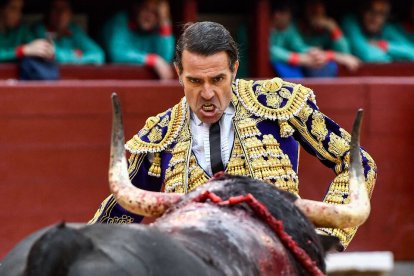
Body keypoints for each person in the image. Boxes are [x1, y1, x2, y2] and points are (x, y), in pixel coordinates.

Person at [90, 21, 377, 250]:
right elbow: (121, 207)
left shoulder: (278, 103)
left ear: (235, 69)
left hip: (276, 252)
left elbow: (357, 164)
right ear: (178, 73)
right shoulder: (162, 133)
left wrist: (325, 235)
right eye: (194, 81)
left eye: (218, 80)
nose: (207, 94)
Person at [101, 0, 175, 80]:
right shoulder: (121, 20)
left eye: (155, 12)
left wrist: (164, 23)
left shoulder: (157, 30)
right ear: (137, 8)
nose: (149, 15)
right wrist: (152, 60)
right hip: (114, 79)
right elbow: (117, 53)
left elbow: (165, 60)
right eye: (146, 9)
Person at [30, 0, 104, 65]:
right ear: (48, 12)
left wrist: (74, 59)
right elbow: (52, 54)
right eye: (55, 8)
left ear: (71, 13)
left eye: (64, 8)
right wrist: (75, 56)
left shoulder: (74, 29)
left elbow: (98, 55)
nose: (60, 13)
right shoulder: (39, 29)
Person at [298, 0, 360, 72]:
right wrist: (333, 56)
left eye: (319, 5)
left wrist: (333, 28)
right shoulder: (295, 27)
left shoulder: (327, 28)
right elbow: (305, 52)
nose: (316, 9)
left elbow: (345, 53)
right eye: (312, 4)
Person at [342, 0, 414, 62]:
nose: (374, 18)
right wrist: (394, 58)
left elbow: (411, 52)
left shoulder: (386, 28)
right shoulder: (351, 21)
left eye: (381, 13)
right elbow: (368, 55)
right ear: (362, 11)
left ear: (386, 17)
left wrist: (384, 46)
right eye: (370, 10)